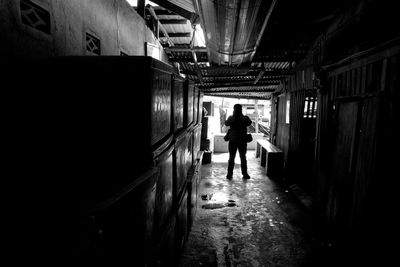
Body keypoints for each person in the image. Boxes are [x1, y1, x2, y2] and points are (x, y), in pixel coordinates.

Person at [224, 104, 252, 179]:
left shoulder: (242, 118)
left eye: (237, 109)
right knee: (240, 158)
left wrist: (235, 118)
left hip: (236, 141)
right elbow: (226, 123)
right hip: (238, 141)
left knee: (236, 158)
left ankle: (231, 174)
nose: (237, 110)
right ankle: (242, 174)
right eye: (237, 109)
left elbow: (249, 122)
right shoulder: (240, 118)